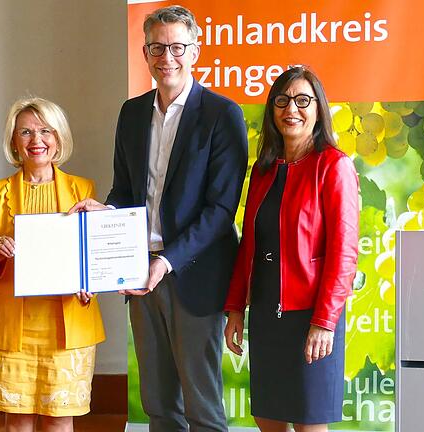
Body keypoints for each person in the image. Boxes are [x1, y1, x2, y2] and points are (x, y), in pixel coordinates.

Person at [69, 5, 248, 431]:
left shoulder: (223, 115)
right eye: (156, 47)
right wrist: (106, 214)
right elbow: (125, 191)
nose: (167, 56)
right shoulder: (131, 113)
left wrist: (165, 262)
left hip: (195, 274)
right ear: (145, 53)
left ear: (195, 52)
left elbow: (221, 211)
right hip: (136, 270)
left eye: (177, 47)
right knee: (157, 403)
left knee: (202, 406)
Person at [223, 66, 359, 432]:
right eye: (282, 101)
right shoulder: (264, 171)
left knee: (309, 425)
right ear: (272, 110)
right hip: (267, 315)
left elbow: (344, 254)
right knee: (267, 419)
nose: (291, 110)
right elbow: (249, 245)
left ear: (318, 109)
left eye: (302, 100)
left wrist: (325, 322)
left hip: (312, 318)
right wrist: (235, 308)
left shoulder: (334, 166)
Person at [0, 97, 105, 432]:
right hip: (12, 326)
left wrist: (91, 284)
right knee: (18, 422)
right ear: (14, 141)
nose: (36, 140)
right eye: (26, 132)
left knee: (60, 418)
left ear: (58, 138)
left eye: (45, 131)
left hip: (66, 325)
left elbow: (94, 256)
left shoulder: (83, 190)